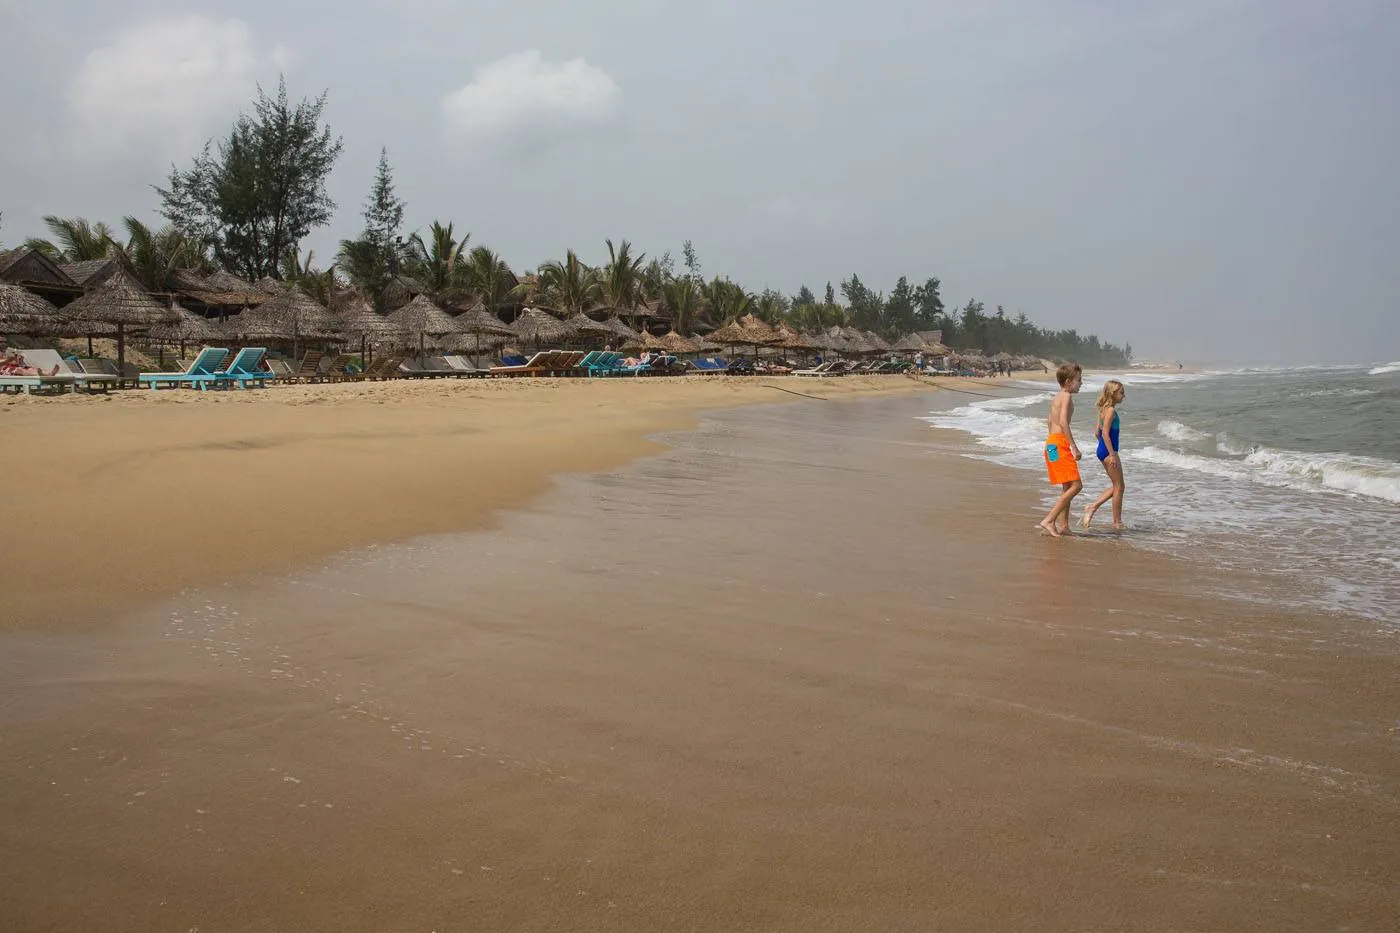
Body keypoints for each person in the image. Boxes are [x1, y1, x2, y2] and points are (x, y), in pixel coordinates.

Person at [1037, 362, 1083, 537]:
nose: (1081, 383)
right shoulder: (1066, 397)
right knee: (1077, 485)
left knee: (1067, 485)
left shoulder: (1056, 397)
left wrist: (1052, 443)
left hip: (1051, 444)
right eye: (1079, 380)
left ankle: (1064, 526)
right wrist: (1074, 447)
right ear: (1069, 381)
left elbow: (1050, 421)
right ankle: (1049, 520)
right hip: (1059, 444)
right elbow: (1063, 422)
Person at [1081, 380, 1126, 530]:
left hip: (1102, 450)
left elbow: (1097, 432)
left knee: (1117, 486)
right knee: (1119, 487)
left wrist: (1104, 448)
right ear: (1113, 394)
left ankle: (1092, 507)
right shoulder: (1111, 411)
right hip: (1108, 451)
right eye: (1121, 392)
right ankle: (1116, 523)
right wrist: (1112, 454)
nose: (1124, 396)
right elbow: (1105, 434)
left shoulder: (1103, 409)